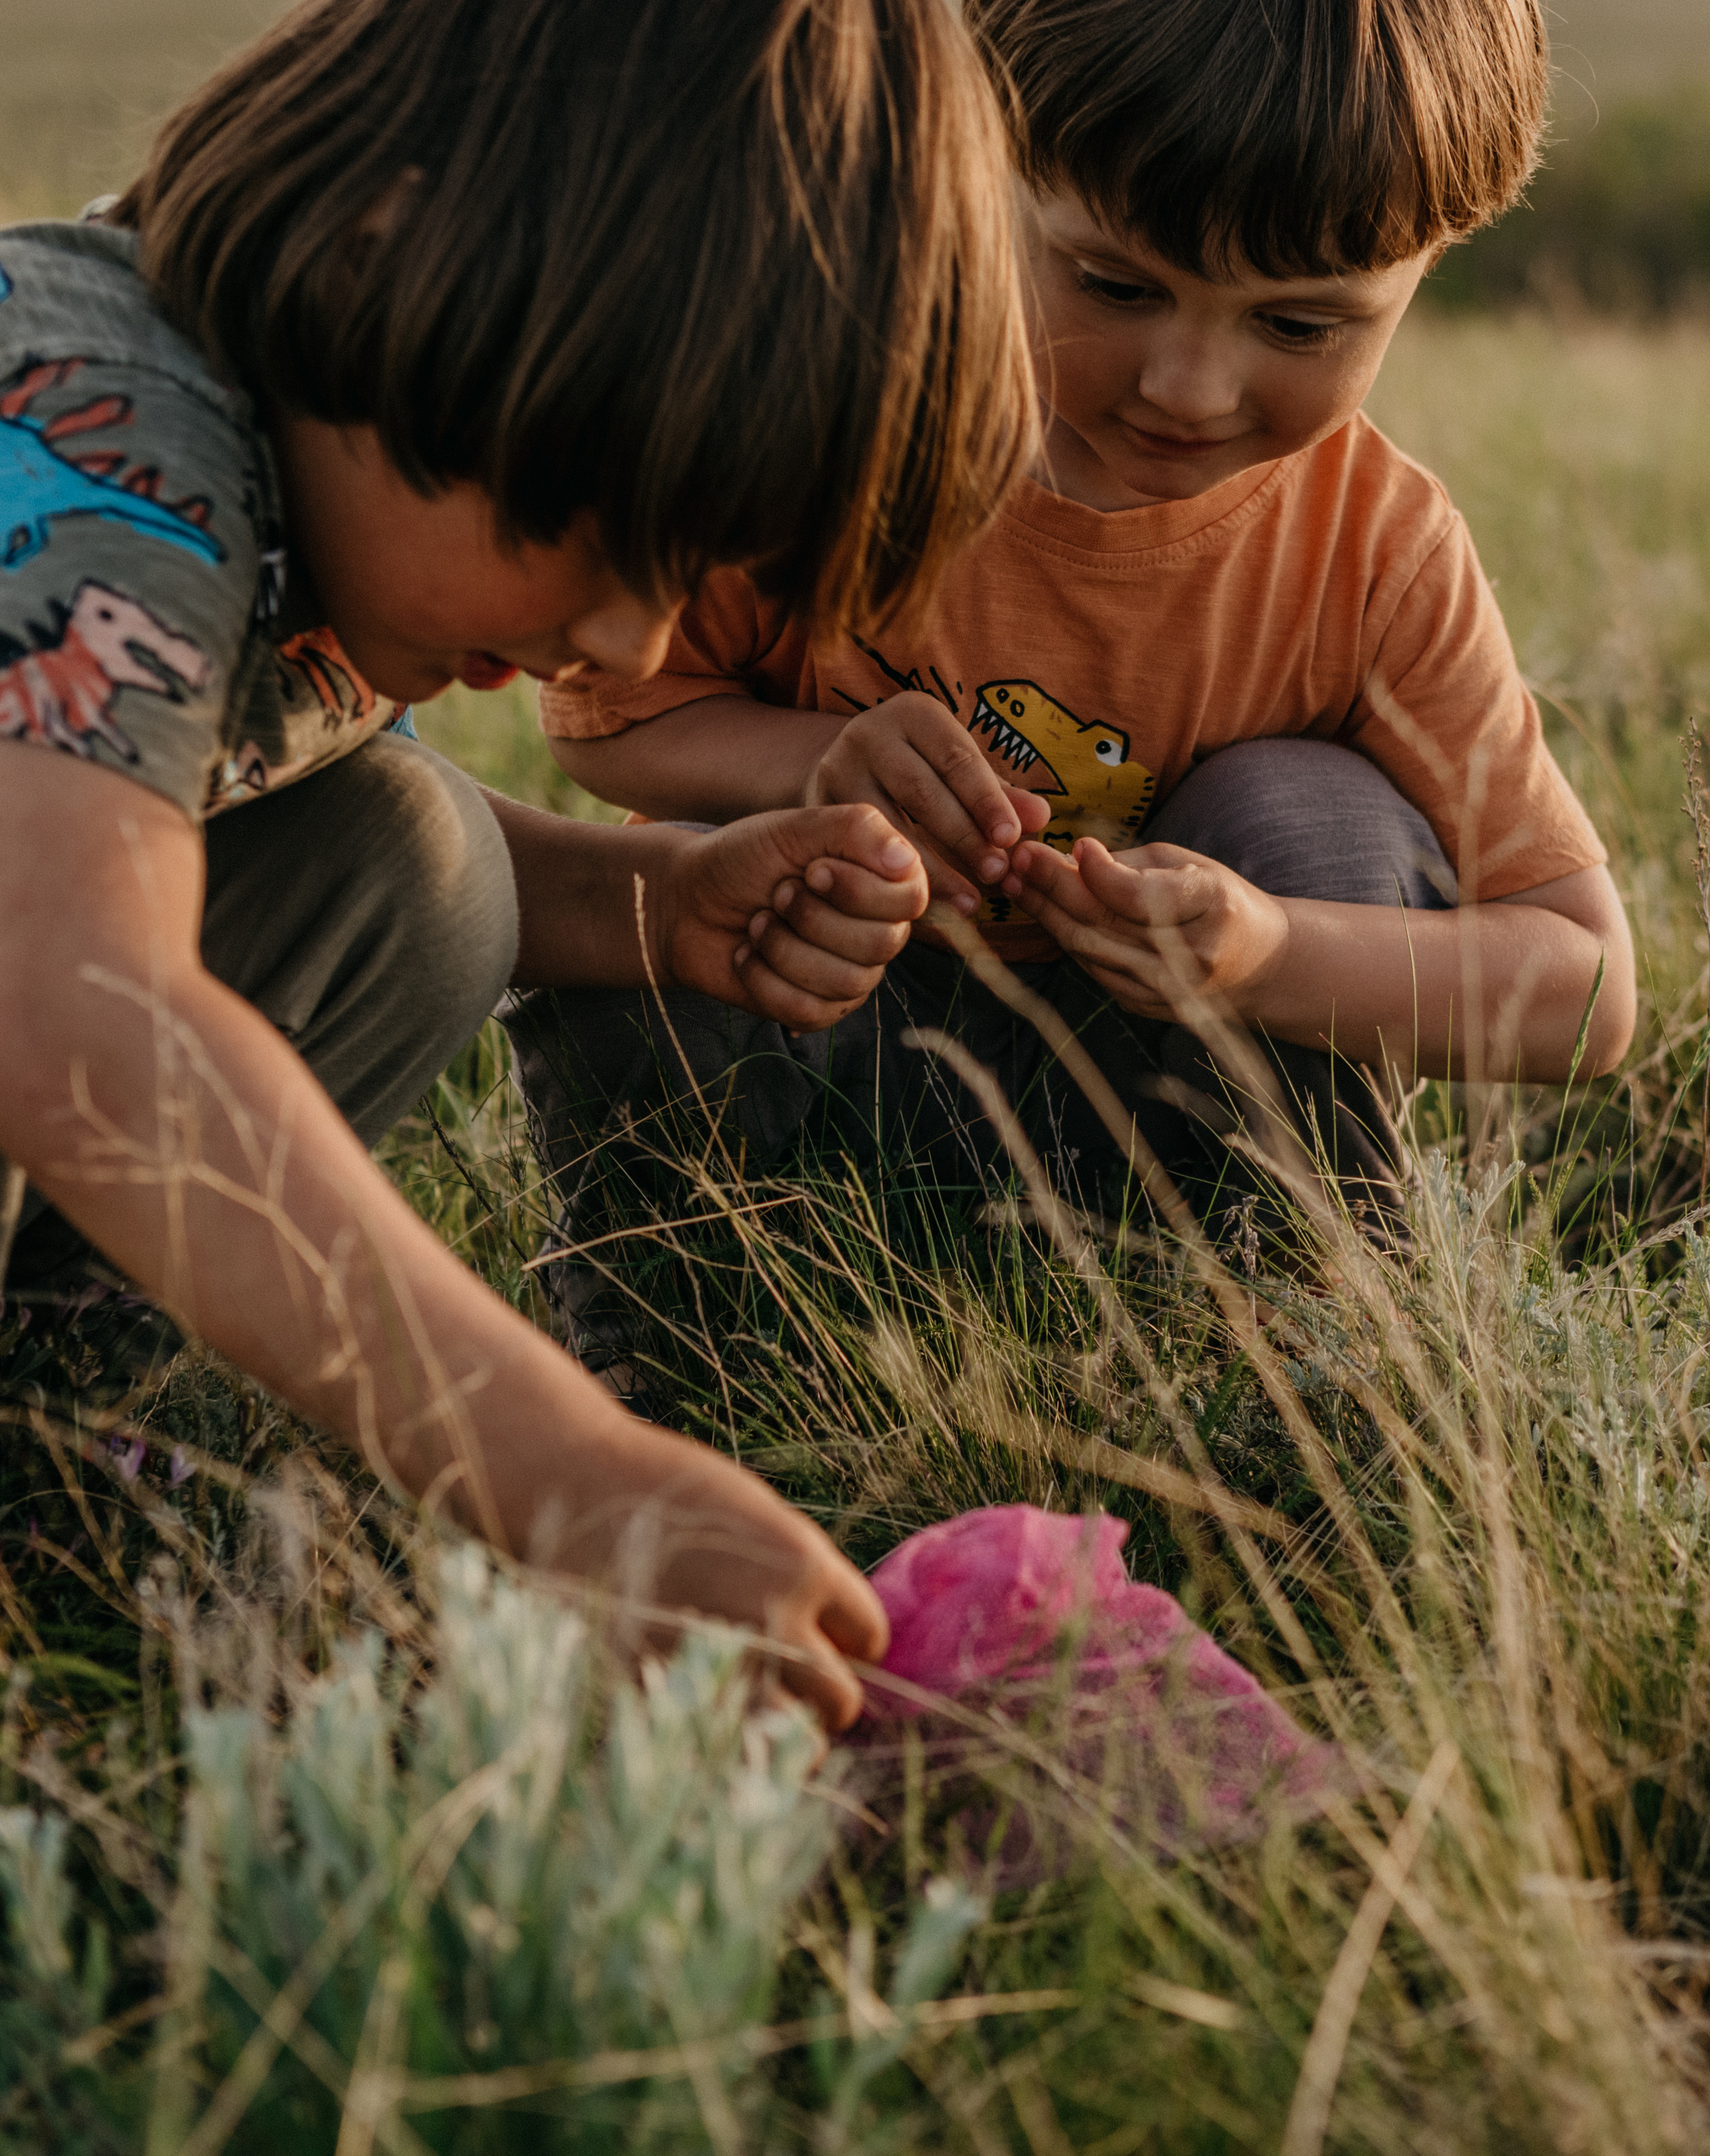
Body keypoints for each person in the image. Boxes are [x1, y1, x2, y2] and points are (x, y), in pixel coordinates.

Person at [0, 0, 1037, 1730]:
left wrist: (659, 901)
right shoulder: (93, 428)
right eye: (602, 525)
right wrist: (563, 1471)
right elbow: (72, 1007)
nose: (627, 630)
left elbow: (190, 849)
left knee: (413, 862)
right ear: (383, 248)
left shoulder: (298, 479)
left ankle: (53, 1470)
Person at [510, 0, 1635, 1322]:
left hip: (1172, 1133)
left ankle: (1285, 1331)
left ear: (1426, 267)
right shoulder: (832, 421)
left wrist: (1265, 955)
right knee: (650, 889)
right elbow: (608, 718)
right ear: (975, 166)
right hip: (821, 1095)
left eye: (1299, 327)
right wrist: (810, 762)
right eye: (1115, 287)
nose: (1188, 387)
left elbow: (1585, 993)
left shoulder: (1374, 551)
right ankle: (673, 1340)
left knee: (1313, 809)